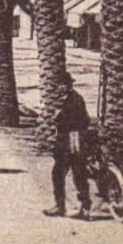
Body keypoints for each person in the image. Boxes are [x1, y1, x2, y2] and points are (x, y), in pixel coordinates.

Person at [43, 71, 93, 220]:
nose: (58, 88)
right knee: (77, 174)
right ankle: (83, 207)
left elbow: (78, 121)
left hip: (72, 141)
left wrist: (58, 119)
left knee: (64, 173)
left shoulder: (73, 100)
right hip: (73, 141)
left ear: (65, 85)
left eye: (60, 85)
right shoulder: (72, 98)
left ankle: (62, 206)